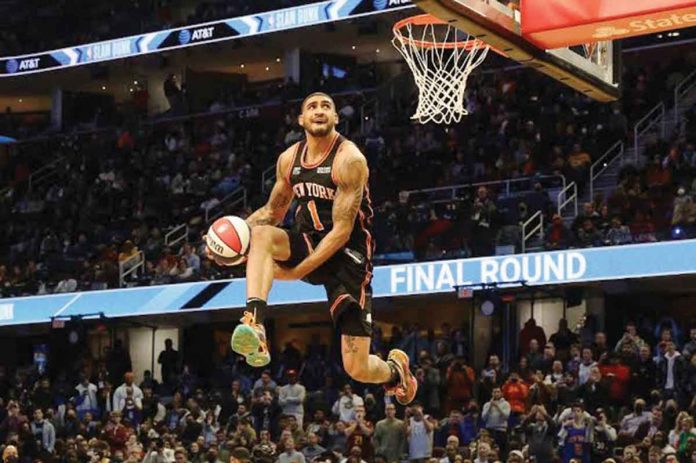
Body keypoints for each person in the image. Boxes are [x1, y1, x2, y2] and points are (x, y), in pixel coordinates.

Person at [205, 92, 416, 404]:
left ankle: (396, 373)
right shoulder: (289, 159)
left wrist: (296, 273)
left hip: (347, 257)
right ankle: (255, 322)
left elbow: (341, 233)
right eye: (312, 107)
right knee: (261, 235)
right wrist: (230, 243)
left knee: (356, 367)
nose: (319, 111)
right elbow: (272, 213)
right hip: (308, 240)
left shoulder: (350, 159)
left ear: (335, 118)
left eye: (326, 106)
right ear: (301, 119)